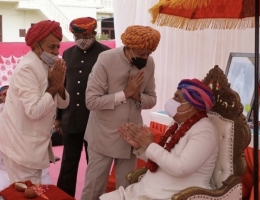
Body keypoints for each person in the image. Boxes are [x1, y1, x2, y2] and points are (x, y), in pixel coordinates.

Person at [99, 78, 219, 200]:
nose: (172, 101)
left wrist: (149, 145)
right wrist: (140, 146)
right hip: (146, 190)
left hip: (171, 194)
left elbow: (181, 168)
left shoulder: (204, 131)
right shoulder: (177, 123)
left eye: (177, 98)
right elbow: (163, 161)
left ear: (192, 106)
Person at [80, 25, 161, 200]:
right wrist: (125, 94)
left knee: (127, 190)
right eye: (141, 54)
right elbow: (91, 101)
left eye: (149, 54)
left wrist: (137, 96)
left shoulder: (150, 63)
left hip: (131, 137)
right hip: (103, 135)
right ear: (129, 48)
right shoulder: (106, 59)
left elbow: (152, 99)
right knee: (94, 189)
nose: (145, 58)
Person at [0, 20, 69, 184]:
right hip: (21, 148)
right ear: (37, 46)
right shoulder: (28, 68)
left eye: (58, 47)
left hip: (33, 147)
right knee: (26, 192)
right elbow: (34, 111)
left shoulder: (46, 64)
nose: (56, 52)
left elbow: (63, 104)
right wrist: (53, 86)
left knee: (30, 191)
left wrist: (58, 85)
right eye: (52, 47)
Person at [55, 17, 110, 197]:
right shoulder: (67, 54)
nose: (80, 39)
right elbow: (61, 86)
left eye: (83, 34)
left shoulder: (106, 54)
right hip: (70, 118)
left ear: (93, 33)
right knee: (68, 164)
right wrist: (58, 116)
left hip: (95, 120)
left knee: (94, 164)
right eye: (76, 35)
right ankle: (63, 196)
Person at [0, 85, 52, 191]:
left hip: (32, 165)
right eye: (6, 95)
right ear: (2, 98)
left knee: (44, 188)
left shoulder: (30, 113)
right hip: (5, 169)